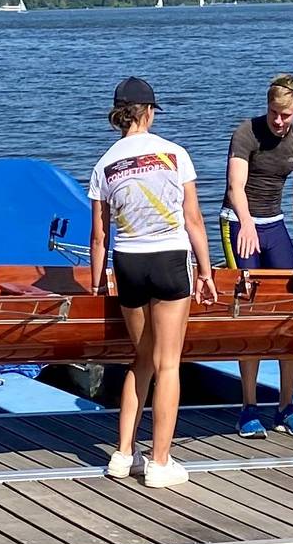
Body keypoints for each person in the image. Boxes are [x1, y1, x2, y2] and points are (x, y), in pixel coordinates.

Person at [89, 77, 218, 489]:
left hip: (128, 263)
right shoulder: (175, 154)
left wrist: (95, 285)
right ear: (148, 112)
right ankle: (160, 460)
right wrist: (207, 272)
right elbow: (193, 219)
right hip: (168, 259)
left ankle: (123, 453)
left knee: (140, 359)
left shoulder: (104, 164)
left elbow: (98, 237)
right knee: (168, 364)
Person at [225, 74, 293, 438]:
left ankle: (286, 406)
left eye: (286, 115)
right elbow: (235, 187)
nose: (278, 121)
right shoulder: (246, 132)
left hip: (274, 222)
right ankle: (248, 406)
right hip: (238, 219)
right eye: (274, 113)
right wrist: (246, 223)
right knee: (250, 310)